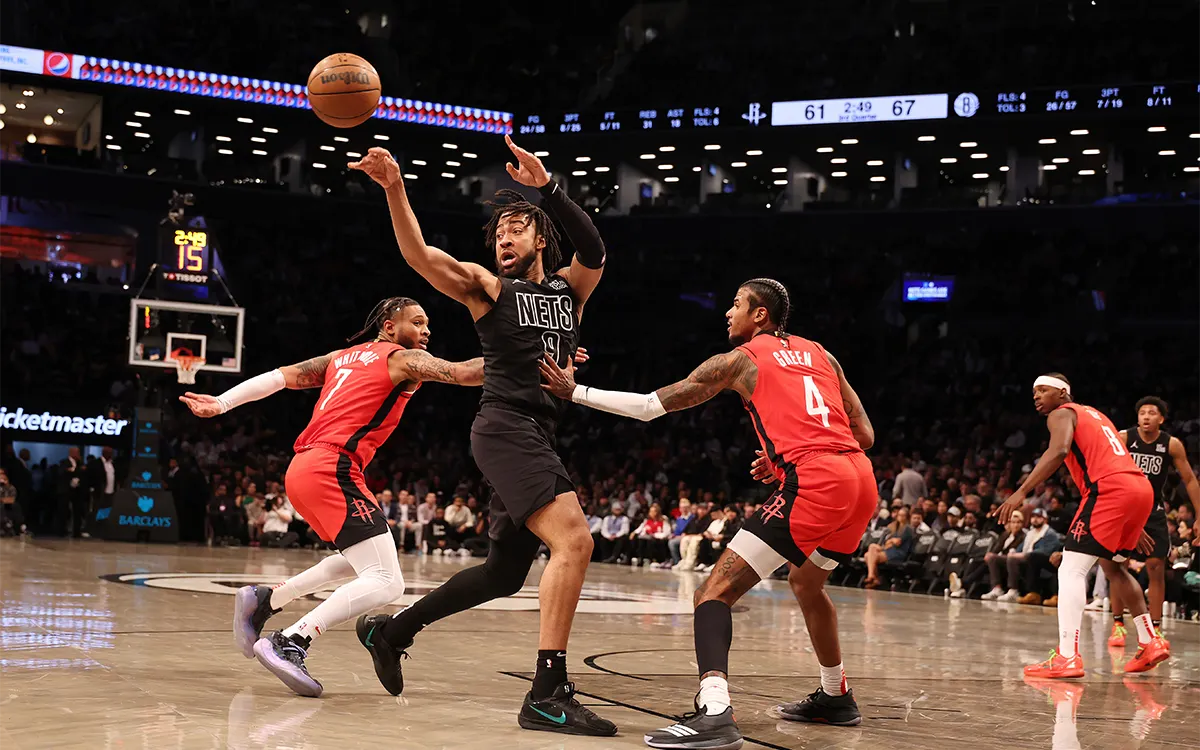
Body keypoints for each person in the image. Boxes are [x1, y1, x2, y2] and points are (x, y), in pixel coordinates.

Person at [349, 139, 615, 737]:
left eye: (516, 228)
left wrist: (547, 190)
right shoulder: (488, 289)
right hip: (505, 427)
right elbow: (421, 257)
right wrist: (395, 187)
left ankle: (390, 632)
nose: (503, 239)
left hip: (536, 431)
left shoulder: (568, 292)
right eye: (497, 232)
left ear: (541, 238)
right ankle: (547, 694)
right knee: (574, 542)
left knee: (502, 575)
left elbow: (595, 251)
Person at [540, 279, 876, 747]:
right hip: (860, 481)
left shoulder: (739, 360)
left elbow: (648, 407)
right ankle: (835, 694)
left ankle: (714, 711)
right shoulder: (822, 354)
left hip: (816, 481)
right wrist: (786, 457)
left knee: (712, 593)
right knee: (806, 582)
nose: (727, 312)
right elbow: (864, 434)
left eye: (736, 304)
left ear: (760, 315)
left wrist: (575, 392)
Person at [181, 296, 487, 698]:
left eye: (428, 324)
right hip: (332, 467)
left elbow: (279, 377)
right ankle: (291, 640)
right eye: (418, 322)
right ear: (390, 327)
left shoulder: (341, 358)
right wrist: (525, 356)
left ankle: (268, 599)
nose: (426, 331)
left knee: (358, 561)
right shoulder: (399, 358)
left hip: (303, 469)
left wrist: (223, 402)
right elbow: (463, 373)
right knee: (387, 581)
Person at [990, 374, 1168, 678]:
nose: (1036, 396)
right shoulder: (1097, 415)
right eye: (1034, 391)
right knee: (1115, 569)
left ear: (1062, 393)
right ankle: (1150, 641)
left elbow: (1058, 451)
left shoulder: (1062, 413)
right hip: (1137, 488)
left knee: (1070, 568)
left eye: (1042, 390)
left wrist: (1020, 492)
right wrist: (1129, 519)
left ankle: (1067, 656)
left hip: (1110, 490)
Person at [1110, 396, 1200, 645]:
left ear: (1161, 418)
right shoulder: (1124, 438)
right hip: (1125, 508)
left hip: (1153, 509)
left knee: (1156, 567)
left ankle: (1155, 628)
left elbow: (1190, 481)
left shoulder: (1171, 444)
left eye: (1152, 413)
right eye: (1142, 413)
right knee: (1119, 566)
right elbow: (1106, 470)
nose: (1146, 417)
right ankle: (1118, 624)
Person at [863, 506, 912, 589]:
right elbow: (888, 542)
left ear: (907, 517)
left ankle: (873, 577)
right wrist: (890, 542)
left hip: (899, 552)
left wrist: (891, 541)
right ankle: (873, 577)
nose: (900, 517)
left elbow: (897, 542)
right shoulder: (895, 527)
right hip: (890, 550)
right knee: (869, 553)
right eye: (899, 515)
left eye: (903, 515)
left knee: (870, 554)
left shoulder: (907, 528)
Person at [632, 503, 671, 567]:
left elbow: (667, 533)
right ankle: (640, 559)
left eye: (654, 512)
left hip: (658, 538)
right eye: (650, 512)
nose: (652, 513)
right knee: (640, 539)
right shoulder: (647, 520)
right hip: (647, 537)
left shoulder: (663, 520)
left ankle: (651, 559)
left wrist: (655, 535)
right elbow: (641, 528)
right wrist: (634, 532)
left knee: (650, 541)